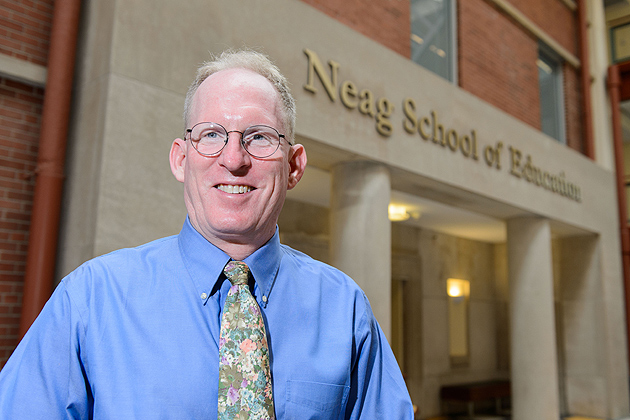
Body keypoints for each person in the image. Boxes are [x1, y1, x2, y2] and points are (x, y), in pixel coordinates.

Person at [0, 49, 414, 419]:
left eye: (259, 138)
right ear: (182, 159)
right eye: (212, 135)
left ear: (294, 166)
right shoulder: (90, 299)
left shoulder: (346, 311)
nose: (233, 159)